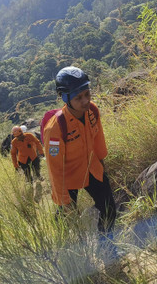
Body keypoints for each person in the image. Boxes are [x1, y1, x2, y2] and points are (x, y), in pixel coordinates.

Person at [42, 66, 117, 239]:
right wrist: (64, 200)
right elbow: (55, 168)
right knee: (66, 218)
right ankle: (62, 247)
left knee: (109, 209)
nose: (85, 101)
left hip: (92, 169)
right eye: (78, 97)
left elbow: (98, 139)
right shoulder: (55, 128)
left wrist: (102, 165)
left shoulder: (92, 111)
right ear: (66, 98)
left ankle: (107, 247)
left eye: (87, 94)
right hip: (67, 178)